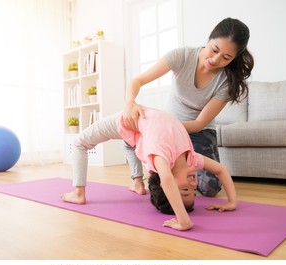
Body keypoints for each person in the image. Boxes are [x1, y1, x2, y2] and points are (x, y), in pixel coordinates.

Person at [122, 17, 254, 197]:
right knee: (128, 128)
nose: (215, 59)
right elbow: (138, 81)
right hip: (168, 126)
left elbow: (199, 123)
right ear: (209, 39)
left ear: (234, 58)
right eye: (214, 50)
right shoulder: (182, 56)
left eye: (226, 57)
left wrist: (168, 128)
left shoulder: (227, 82)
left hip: (198, 131)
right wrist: (130, 102)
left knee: (210, 188)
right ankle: (137, 180)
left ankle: (179, 166)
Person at [61, 106, 237, 231]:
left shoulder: (161, 155)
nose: (193, 183)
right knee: (132, 144)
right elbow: (221, 170)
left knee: (79, 143)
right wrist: (232, 202)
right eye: (193, 190)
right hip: (141, 126)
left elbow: (167, 179)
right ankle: (138, 183)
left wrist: (184, 221)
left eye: (184, 189)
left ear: (163, 178)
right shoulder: (192, 158)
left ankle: (78, 193)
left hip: (125, 121)